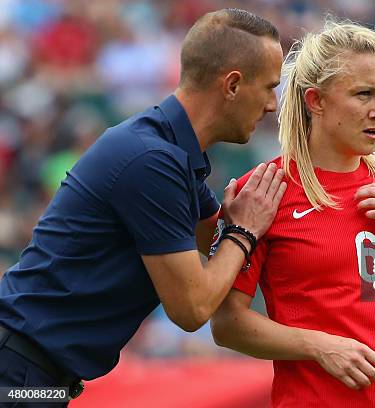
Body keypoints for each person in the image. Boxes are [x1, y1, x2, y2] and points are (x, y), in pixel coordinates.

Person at [0, 8, 287, 404]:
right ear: (232, 85)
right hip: (17, 369)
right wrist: (243, 232)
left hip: (34, 372)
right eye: (269, 87)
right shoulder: (152, 159)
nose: (273, 105)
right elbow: (193, 307)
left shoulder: (171, 151)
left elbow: (216, 240)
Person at [211, 21, 375, 407]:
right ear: (316, 101)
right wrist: (318, 345)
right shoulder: (263, 191)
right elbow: (227, 325)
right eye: (363, 94)